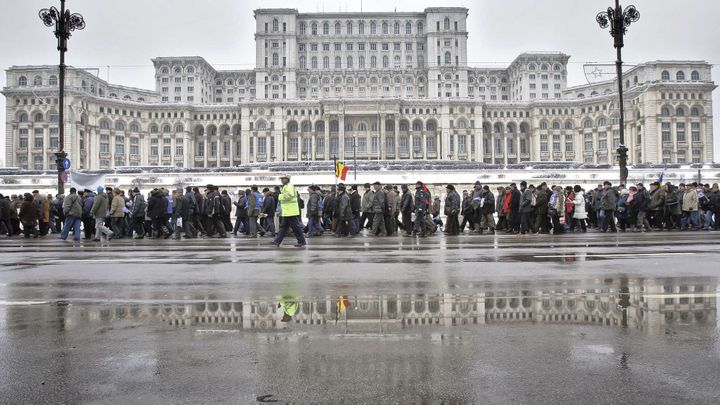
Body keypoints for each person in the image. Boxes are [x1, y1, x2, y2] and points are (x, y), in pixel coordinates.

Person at [271, 174, 306, 247]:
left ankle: (301, 241)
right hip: (288, 211)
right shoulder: (286, 187)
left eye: (283, 179)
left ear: (287, 179)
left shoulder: (289, 186)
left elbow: (290, 195)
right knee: (284, 227)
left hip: (291, 211)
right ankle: (277, 241)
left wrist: (280, 196)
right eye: (281, 179)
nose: (282, 180)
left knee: (295, 227)